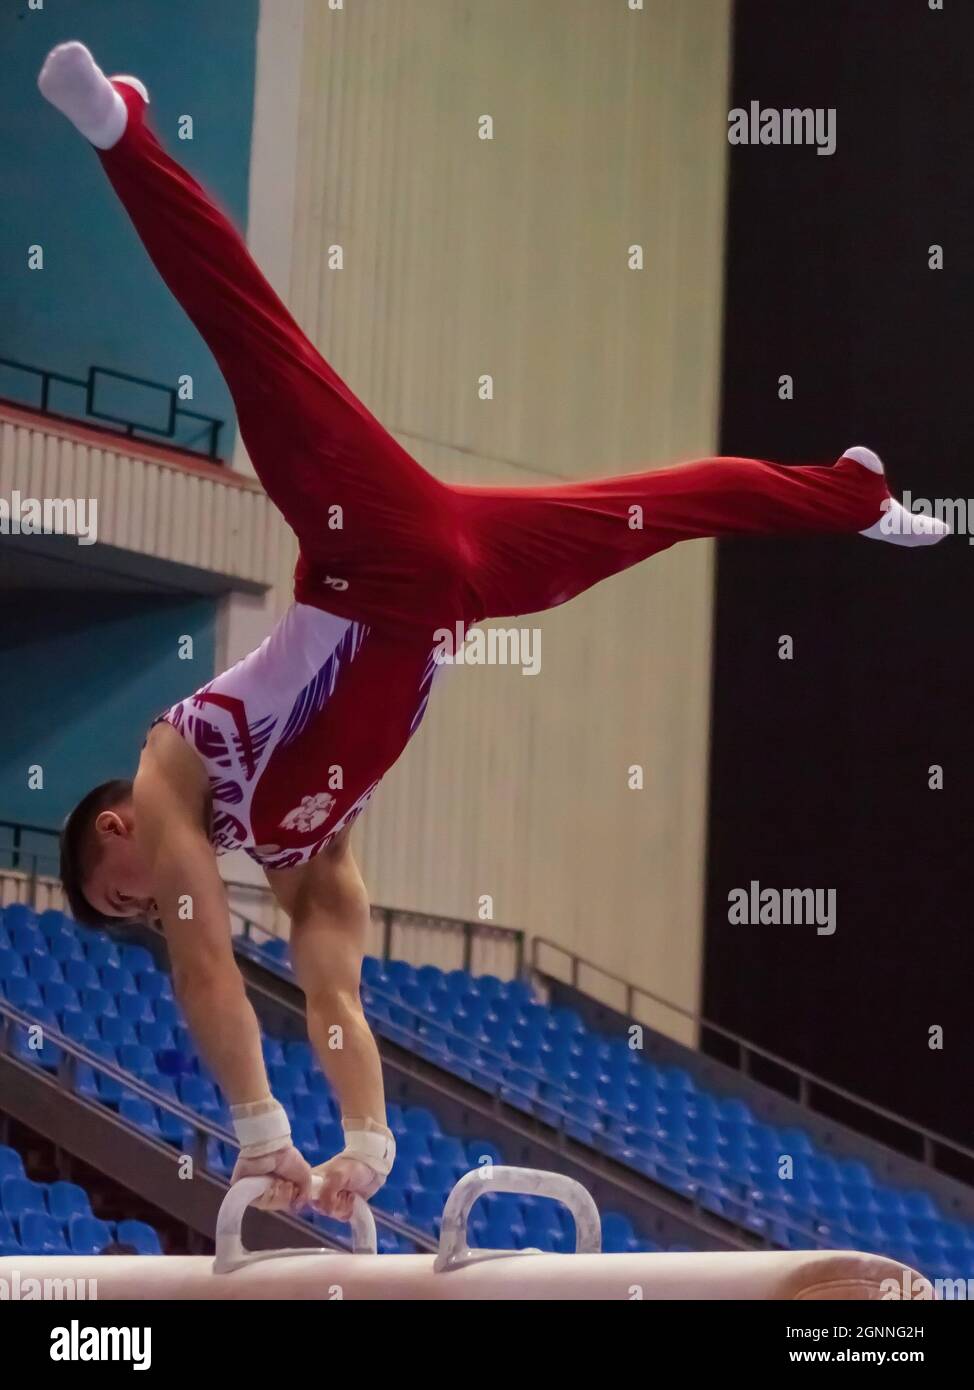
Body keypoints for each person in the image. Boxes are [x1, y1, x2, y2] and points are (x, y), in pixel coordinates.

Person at [40, 42, 949, 1223]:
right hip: (456, 575)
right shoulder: (306, 851)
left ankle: (122, 128)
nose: (138, 903)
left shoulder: (171, 769)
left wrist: (259, 1133)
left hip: (361, 545)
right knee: (653, 511)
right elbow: (330, 1002)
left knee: (253, 343)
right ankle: (849, 490)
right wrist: (362, 1139)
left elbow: (205, 964)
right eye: (128, 908)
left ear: (113, 829)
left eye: (113, 896)